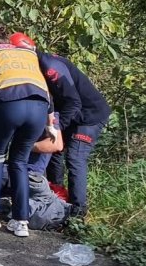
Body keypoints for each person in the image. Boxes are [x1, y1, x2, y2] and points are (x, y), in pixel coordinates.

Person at [10, 33, 110, 218]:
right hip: (69, 113)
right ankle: (57, 196)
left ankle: (78, 212)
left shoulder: (51, 67)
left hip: (89, 115)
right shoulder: (32, 66)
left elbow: (74, 102)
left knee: (75, 157)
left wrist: (56, 128)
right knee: (54, 152)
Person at [0, 25, 51, 238]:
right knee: (20, 161)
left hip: (8, 103)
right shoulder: (29, 54)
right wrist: (51, 123)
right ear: (9, 41)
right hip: (39, 106)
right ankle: (21, 221)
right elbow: (45, 86)